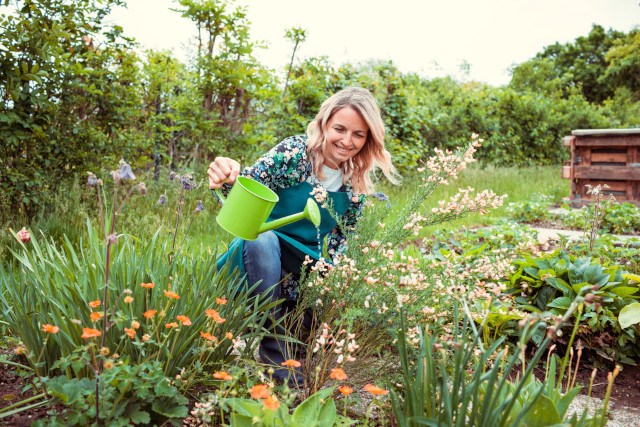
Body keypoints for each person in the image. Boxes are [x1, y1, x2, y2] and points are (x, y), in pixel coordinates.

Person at [207, 87, 400, 387]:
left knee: (319, 306)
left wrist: (335, 283)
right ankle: (275, 348)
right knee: (265, 239)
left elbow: (343, 244)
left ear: (368, 140)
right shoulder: (295, 154)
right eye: (340, 129)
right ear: (324, 123)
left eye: (358, 134)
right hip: (254, 257)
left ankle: (296, 340)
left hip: (302, 269)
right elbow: (242, 192)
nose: (347, 141)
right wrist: (226, 174)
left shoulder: (355, 184)